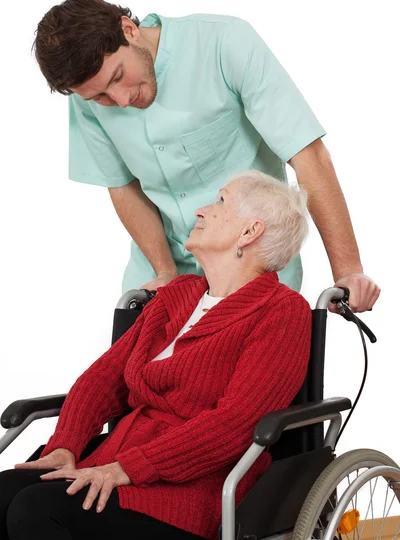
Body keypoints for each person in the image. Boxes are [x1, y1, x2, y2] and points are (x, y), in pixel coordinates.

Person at [0, 172, 312, 540]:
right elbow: (105, 378)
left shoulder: (282, 312)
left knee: (37, 509)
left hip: (190, 485)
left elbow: (236, 423)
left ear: (249, 232)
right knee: (6, 492)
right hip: (117, 460)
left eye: (221, 202)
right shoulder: (178, 295)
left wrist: (128, 468)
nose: (201, 210)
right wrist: (65, 445)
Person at [33, 0, 379, 313]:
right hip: (160, 265)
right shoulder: (89, 100)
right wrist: (165, 271)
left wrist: (348, 270)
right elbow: (122, 185)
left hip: (251, 266)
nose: (120, 101)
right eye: (99, 97)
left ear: (129, 29)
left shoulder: (224, 43)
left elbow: (309, 157)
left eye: (119, 77)